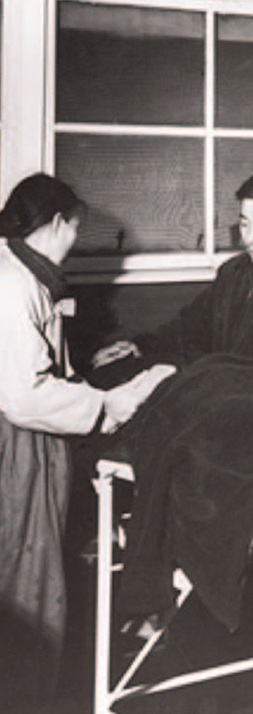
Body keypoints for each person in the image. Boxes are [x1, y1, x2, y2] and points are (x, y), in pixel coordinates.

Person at [0, 174, 170, 707]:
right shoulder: (14, 285)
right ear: (57, 224)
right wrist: (105, 405)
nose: (75, 242)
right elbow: (22, 395)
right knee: (27, 583)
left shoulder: (22, 273)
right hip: (20, 448)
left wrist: (85, 369)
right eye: (75, 229)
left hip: (31, 439)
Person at [94, 165, 253, 393]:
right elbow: (188, 328)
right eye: (244, 224)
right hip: (223, 401)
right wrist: (138, 346)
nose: (248, 238)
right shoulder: (233, 272)